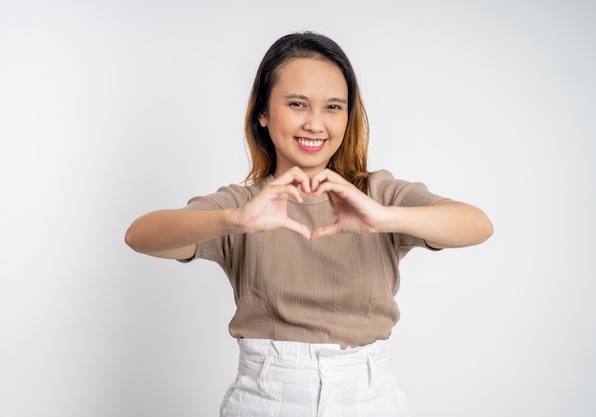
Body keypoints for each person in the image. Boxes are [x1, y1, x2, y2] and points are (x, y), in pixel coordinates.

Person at [125, 31, 493, 417]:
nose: (316, 124)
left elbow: (477, 225)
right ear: (262, 114)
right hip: (265, 400)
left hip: (370, 398)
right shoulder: (245, 205)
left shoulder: (376, 194)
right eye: (298, 103)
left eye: (333, 107)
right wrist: (233, 220)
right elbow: (140, 236)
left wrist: (381, 217)